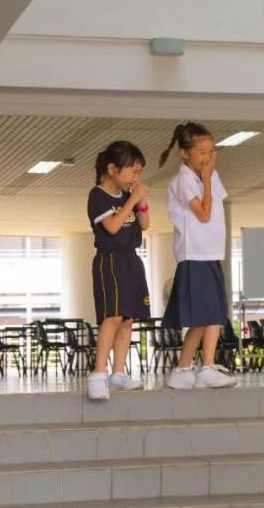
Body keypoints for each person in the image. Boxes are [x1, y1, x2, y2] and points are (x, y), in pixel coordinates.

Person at [160, 122, 238, 389]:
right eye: (202, 152)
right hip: (194, 254)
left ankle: (190, 367)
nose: (208, 157)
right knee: (207, 315)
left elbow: (215, 205)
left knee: (212, 314)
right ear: (184, 154)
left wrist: (208, 177)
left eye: (211, 152)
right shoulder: (183, 180)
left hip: (211, 253)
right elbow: (203, 213)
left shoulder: (210, 176)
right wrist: (205, 178)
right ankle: (200, 366)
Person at [86, 141, 150, 400]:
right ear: (113, 169)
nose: (136, 177)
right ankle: (98, 373)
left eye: (139, 173)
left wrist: (141, 201)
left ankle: (119, 373)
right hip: (110, 260)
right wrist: (132, 199)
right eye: (132, 171)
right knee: (112, 316)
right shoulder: (98, 195)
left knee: (127, 319)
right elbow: (112, 227)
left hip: (131, 259)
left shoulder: (128, 195)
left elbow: (144, 224)